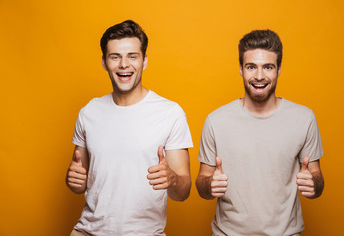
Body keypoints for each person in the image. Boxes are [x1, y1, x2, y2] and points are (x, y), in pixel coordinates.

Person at [65, 20, 193, 236]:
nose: (124, 64)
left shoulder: (170, 113)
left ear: (144, 61)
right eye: (115, 57)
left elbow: (183, 191)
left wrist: (171, 178)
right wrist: (73, 181)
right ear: (105, 62)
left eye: (132, 56)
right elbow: (80, 181)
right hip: (88, 231)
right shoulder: (89, 112)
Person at [196, 29, 324, 235]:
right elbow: (202, 181)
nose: (259, 76)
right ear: (240, 69)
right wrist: (209, 185)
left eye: (268, 67)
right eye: (251, 67)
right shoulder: (216, 121)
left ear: (279, 69)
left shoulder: (304, 118)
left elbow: (316, 175)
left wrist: (314, 183)